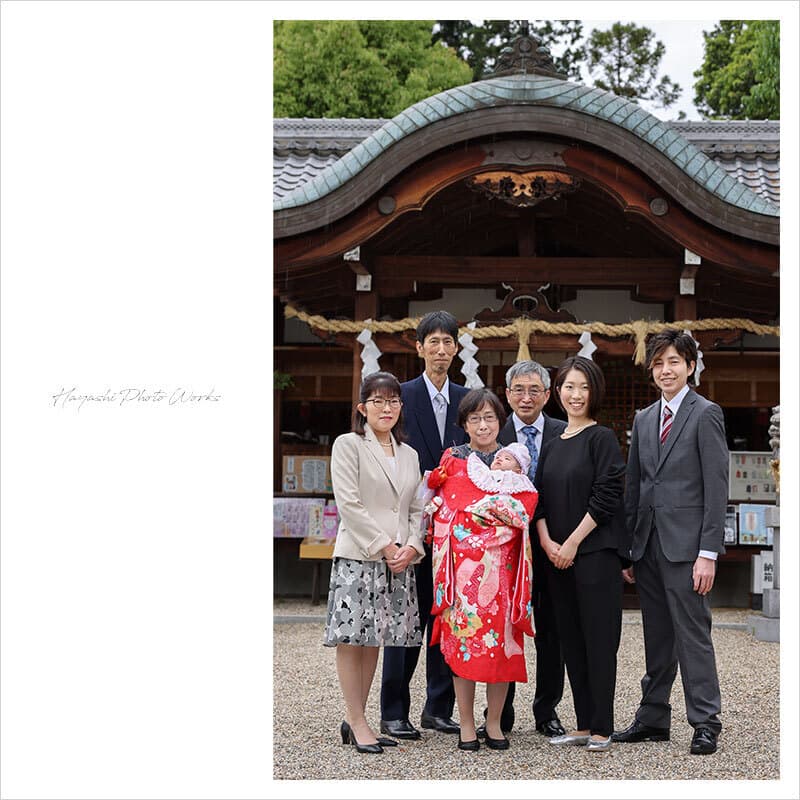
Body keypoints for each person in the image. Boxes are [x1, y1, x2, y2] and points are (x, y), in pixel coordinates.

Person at [612, 330, 727, 756]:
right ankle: (653, 716)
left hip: (688, 548)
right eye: (659, 363)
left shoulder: (706, 413)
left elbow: (716, 488)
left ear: (690, 366)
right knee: (657, 635)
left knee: (693, 634)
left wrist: (708, 553)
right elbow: (637, 485)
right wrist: (628, 547)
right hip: (648, 547)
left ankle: (705, 720)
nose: (666, 370)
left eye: (674, 361)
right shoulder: (644, 419)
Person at [427, 389, 537, 752]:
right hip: (463, 574)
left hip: (502, 574)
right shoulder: (454, 461)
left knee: (502, 648)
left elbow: (523, 510)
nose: (483, 425)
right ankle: (467, 724)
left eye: (490, 417)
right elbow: (444, 512)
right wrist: (474, 526)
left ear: (500, 422)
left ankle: (494, 724)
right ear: (464, 424)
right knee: (464, 648)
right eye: (475, 418)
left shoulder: (512, 464)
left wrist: (481, 522)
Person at [323, 371, 426, 754]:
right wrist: (385, 546)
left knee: (375, 641)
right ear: (362, 408)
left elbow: (418, 508)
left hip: (398, 560)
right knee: (353, 642)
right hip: (360, 555)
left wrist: (412, 546)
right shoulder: (348, 445)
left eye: (394, 401)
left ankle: (358, 719)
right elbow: (348, 503)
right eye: (378, 401)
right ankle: (357, 718)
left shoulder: (410, 454)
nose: (387, 408)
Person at [380, 310, 469, 740]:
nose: (440, 349)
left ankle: (439, 706)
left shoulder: (470, 400)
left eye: (447, 341)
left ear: (457, 348)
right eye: (431, 341)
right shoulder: (400, 396)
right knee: (405, 619)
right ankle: (393, 710)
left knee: (446, 617)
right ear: (419, 348)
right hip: (409, 527)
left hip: (455, 531)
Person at [534, 356, 627, 752]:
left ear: (595, 392)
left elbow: (607, 496)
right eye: (569, 387)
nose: (576, 395)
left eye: (583, 387)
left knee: (598, 640)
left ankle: (603, 727)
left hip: (593, 557)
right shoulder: (553, 443)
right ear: (558, 393)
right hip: (556, 558)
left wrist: (571, 542)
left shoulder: (601, 438)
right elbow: (536, 498)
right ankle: (585, 723)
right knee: (570, 640)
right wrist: (547, 542)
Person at [480, 360, 567, 738]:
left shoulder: (566, 432)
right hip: (503, 550)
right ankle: (501, 712)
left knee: (552, 631)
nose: (526, 397)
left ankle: (547, 709)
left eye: (534, 390)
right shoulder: (493, 436)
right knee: (503, 629)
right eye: (518, 389)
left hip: (551, 546)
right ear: (507, 394)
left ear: (548, 395)